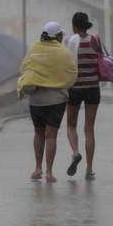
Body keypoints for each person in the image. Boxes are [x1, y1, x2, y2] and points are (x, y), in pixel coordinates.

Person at [18, 22, 77, 183]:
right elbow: (72, 74)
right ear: (57, 36)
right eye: (61, 34)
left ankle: (38, 169)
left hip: (36, 100)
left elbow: (24, 68)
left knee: (38, 133)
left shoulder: (34, 49)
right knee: (51, 136)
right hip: (56, 100)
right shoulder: (63, 52)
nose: (62, 37)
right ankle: (49, 172)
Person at [64, 12, 101, 180]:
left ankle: (75, 153)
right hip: (93, 87)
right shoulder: (95, 40)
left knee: (71, 125)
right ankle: (89, 168)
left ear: (74, 26)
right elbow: (101, 60)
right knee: (89, 129)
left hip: (75, 88)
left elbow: (66, 64)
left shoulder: (70, 41)